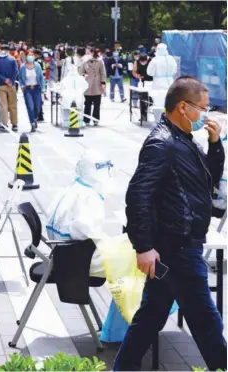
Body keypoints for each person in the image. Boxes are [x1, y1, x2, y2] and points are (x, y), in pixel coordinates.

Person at [116, 77, 226, 371]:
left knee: (151, 316)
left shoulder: (182, 139)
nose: (205, 114)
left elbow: (207, 183)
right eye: (202, 108)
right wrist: (143, 247)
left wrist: (215, 146)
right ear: (182, 107)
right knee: (205, 320)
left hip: (177, 243)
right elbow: (138, 195)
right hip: (177, 246)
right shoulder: (162, 144)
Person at [0, 45, 19, 131]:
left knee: (3, 106)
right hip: (11, 85)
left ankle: (4, 124)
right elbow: (16, 71)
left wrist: (4, 80)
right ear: (8, 51)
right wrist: (11, 81)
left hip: (0, 85)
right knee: (13, 105)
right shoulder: (12, 59)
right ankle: (14, 124)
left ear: (0, 50)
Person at [147, 43, 177, 119]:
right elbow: (175, 71)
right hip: (170, 83)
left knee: (158, 104)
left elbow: (149, 72)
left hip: (158, 84)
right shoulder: (171, 59)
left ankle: (158, 121)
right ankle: (169, 120)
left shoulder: (155, 60)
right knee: (169, 103)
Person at [18, 51, 45, 132]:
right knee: (30, 106)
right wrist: (22, 86)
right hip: (28, 89)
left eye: (32, 55)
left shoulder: (37, 66)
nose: (30, 57)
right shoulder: (23, 67)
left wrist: (43, 88)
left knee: (37, 106)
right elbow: (20, 78)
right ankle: (32, 123)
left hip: (36, 88)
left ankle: (35, 118)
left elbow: (41, 78)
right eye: (29, 55)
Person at [79, 48, 106, 126]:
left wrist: (103, 82)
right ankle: (86, 119)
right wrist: (84, 75)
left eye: (89, 52)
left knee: (97, 104)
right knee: (87, 104)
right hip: (88, 85)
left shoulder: (100, 61)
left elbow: (103, 73)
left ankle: (95, 119)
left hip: (97, 84)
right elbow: (80, 72)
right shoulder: (84, 62)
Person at [133, 53, 153, 122]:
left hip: (152, 82)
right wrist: (137, 76)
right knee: (142, 99)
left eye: (144, 61)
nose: (143, 63)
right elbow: (134, 72)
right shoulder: (136, 62)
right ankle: (143, 116)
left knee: (152, 99)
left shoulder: (152, 61)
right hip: (142, 82)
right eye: (141, 62)